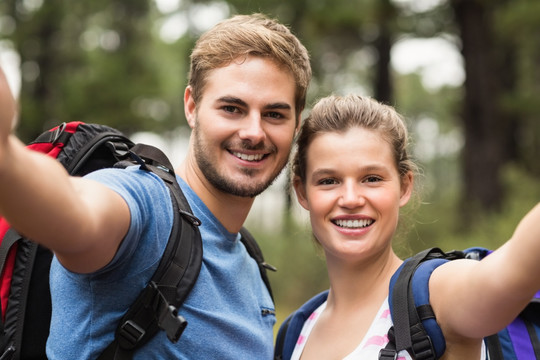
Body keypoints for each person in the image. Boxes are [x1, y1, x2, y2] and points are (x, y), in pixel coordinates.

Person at [0, 13, 311, 359]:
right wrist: (6, 158)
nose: (254, 132)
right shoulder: (146, 205)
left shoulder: (252, 266)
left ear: (296, 124)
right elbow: (73, 213)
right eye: (232, 108)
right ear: (192, 107)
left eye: (274, 114)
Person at [277, 94, 540, 359]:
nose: (351, 199)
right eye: (328, 181)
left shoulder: (433, 296)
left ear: (404, 187)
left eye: (371, 178)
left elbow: (508, 276)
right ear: (302, 192)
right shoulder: (295, 331)